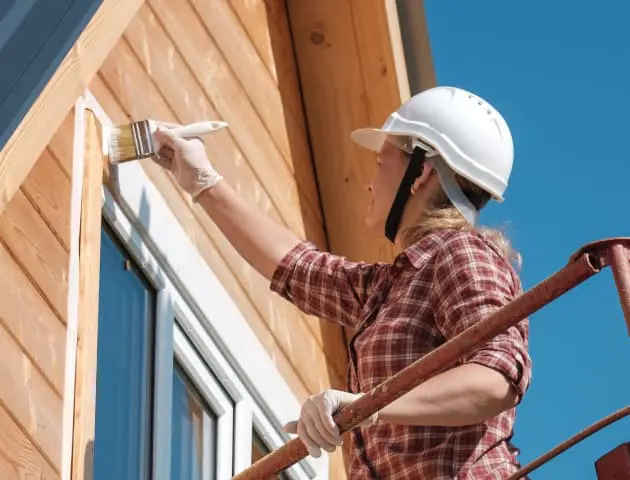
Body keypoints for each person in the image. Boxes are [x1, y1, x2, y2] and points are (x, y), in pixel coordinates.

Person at [152, 86, 532, 479]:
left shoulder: (462, 253)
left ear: (420, 173)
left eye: (382, 161)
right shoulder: (388, 289)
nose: (370, 181)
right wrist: (203, 181)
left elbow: (495, 380)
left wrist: (368, 405)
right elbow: (298, 268)